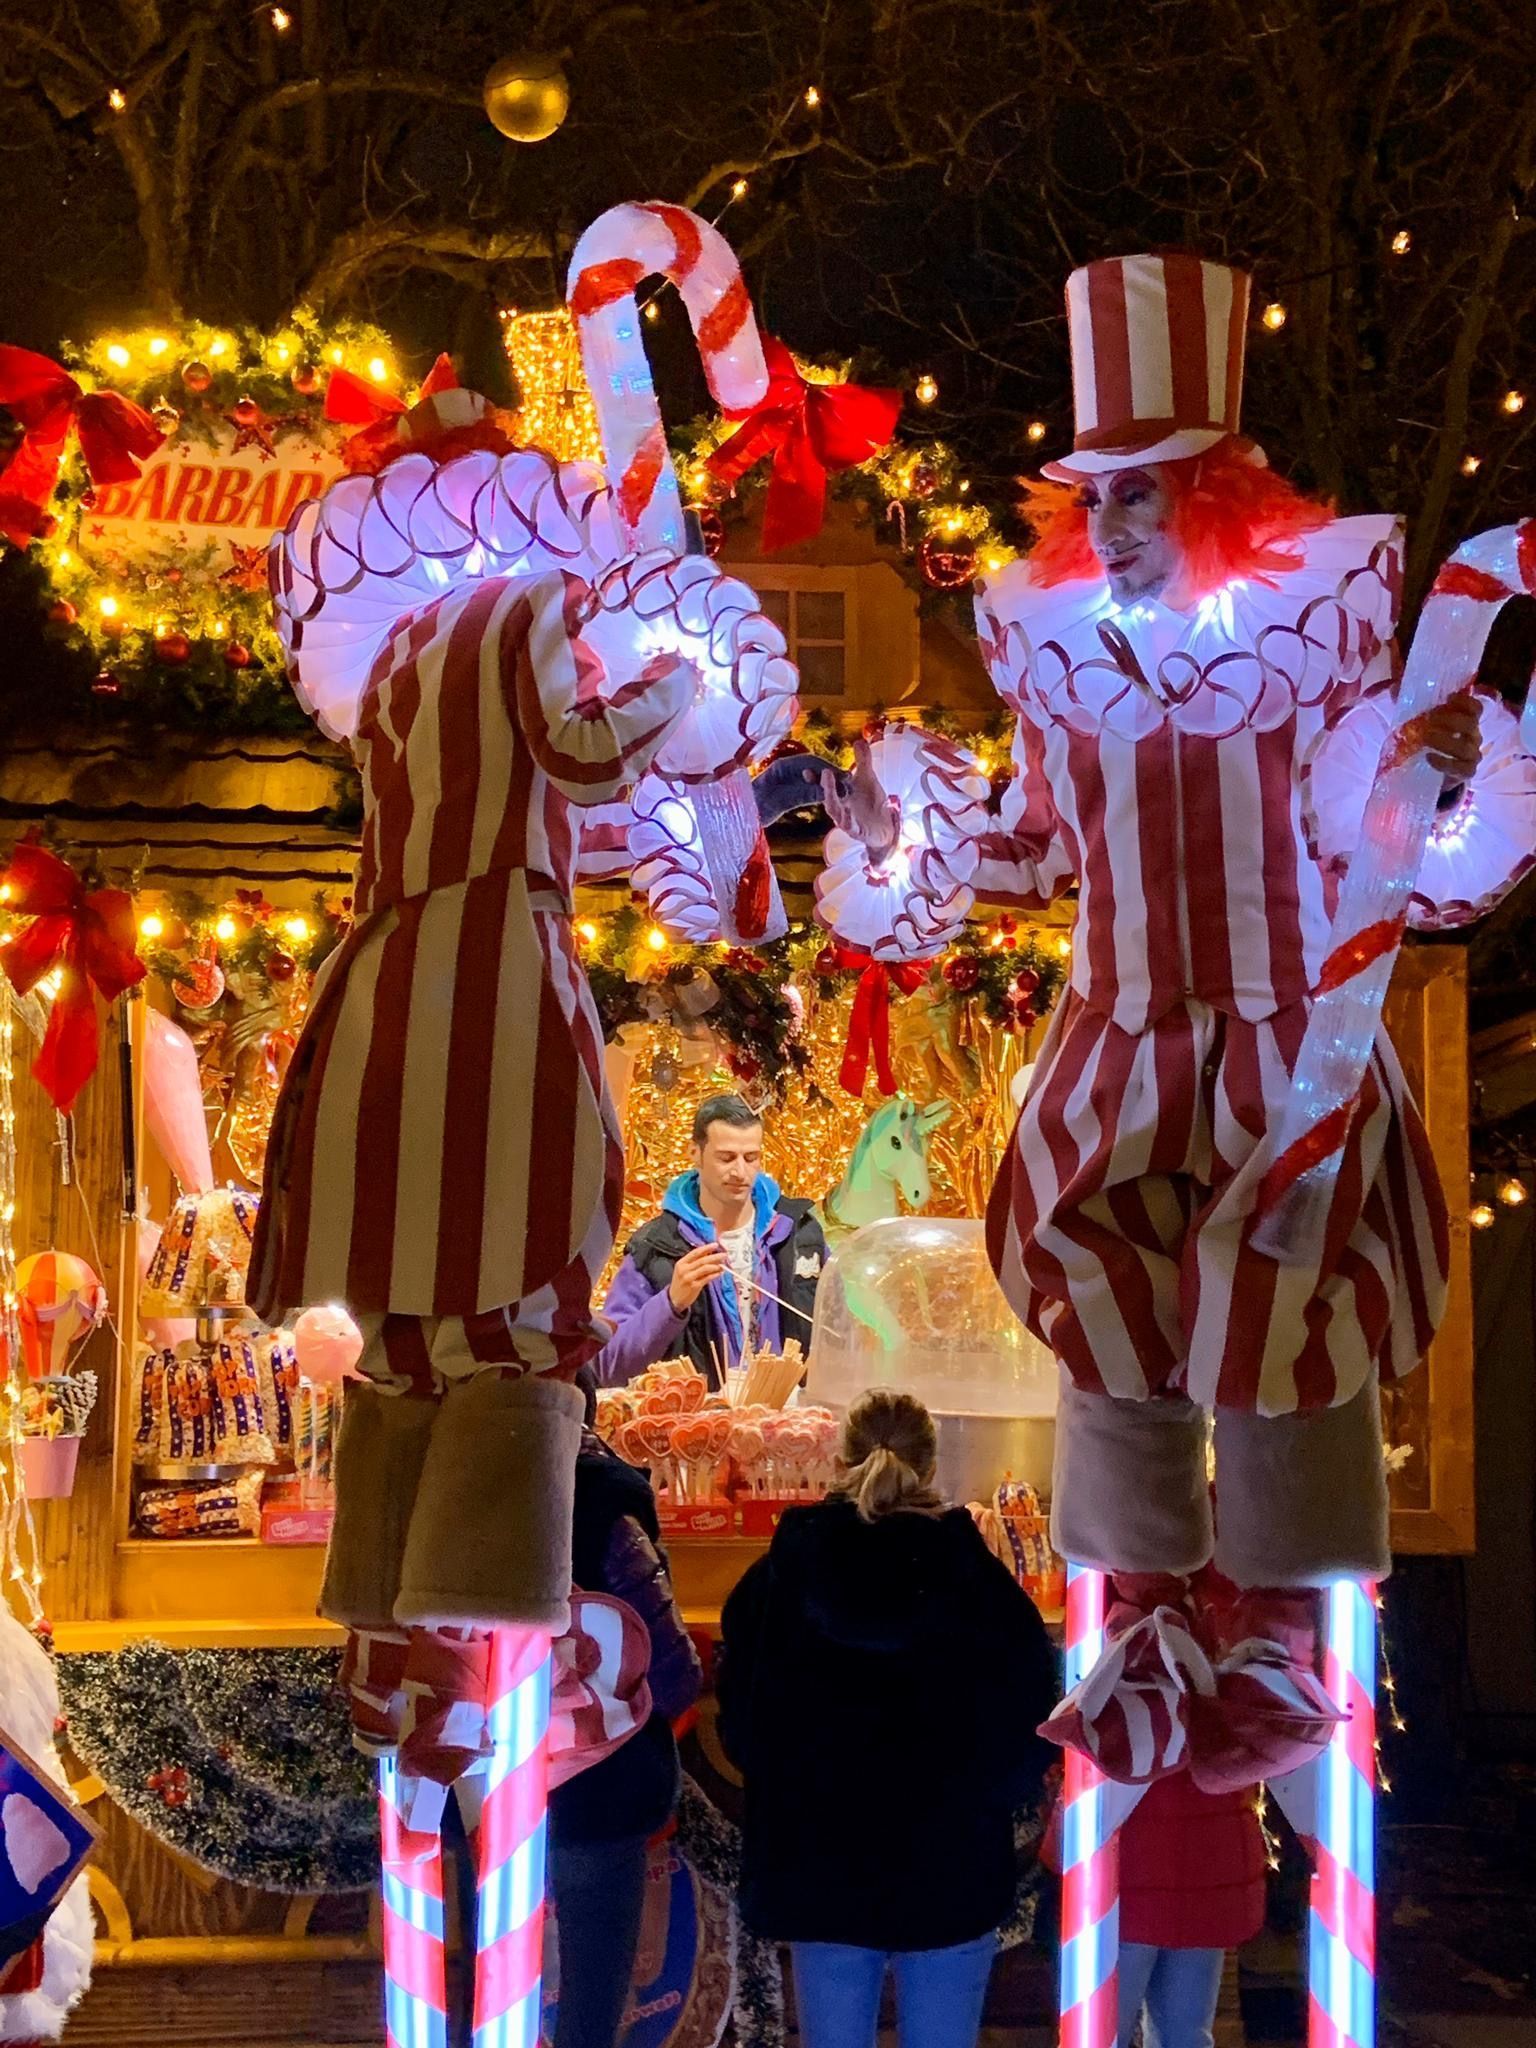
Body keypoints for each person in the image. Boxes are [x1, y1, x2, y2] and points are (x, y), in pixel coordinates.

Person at [967, 251, 1485, 1591]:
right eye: (1098, 496)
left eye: (1144, 489)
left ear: (1215, 498)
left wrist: (1433, 769)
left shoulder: (1312, 648)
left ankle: (1289, 1662)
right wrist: (900, 834)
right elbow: (1028, 858)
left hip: (1288, 1050)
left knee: (1298, 1351)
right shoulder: (1065, 671)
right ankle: (1136, 1649)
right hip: (1118, 1054)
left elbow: (1381, 848)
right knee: (1114, 1350)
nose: (1117, 522)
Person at [716, 1390, 1058, 2048]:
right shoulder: (981, 1583)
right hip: (951, 1870)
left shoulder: (783, 1576)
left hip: (820, 1870)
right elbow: (1029, 1727)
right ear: (929, 1469)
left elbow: (745, 1726)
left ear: (841, 1461)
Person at [547, 1372, 703, 2048]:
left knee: (491, 1983)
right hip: (598, 1790)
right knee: (592, 2000)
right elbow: (671, 1674)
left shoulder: (453, 1483)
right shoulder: (608, 1501)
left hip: (484, 1780)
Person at [598, 1094, 826, 1389]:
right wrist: (671, 1303)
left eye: (751, 1158)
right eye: (726, 1158)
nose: (740, 1172)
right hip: (700, 1428)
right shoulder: (656, 1247)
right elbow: (608, 1366)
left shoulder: (800, 1232)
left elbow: (841, 1329)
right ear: (696, 1153)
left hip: (785, 1424)